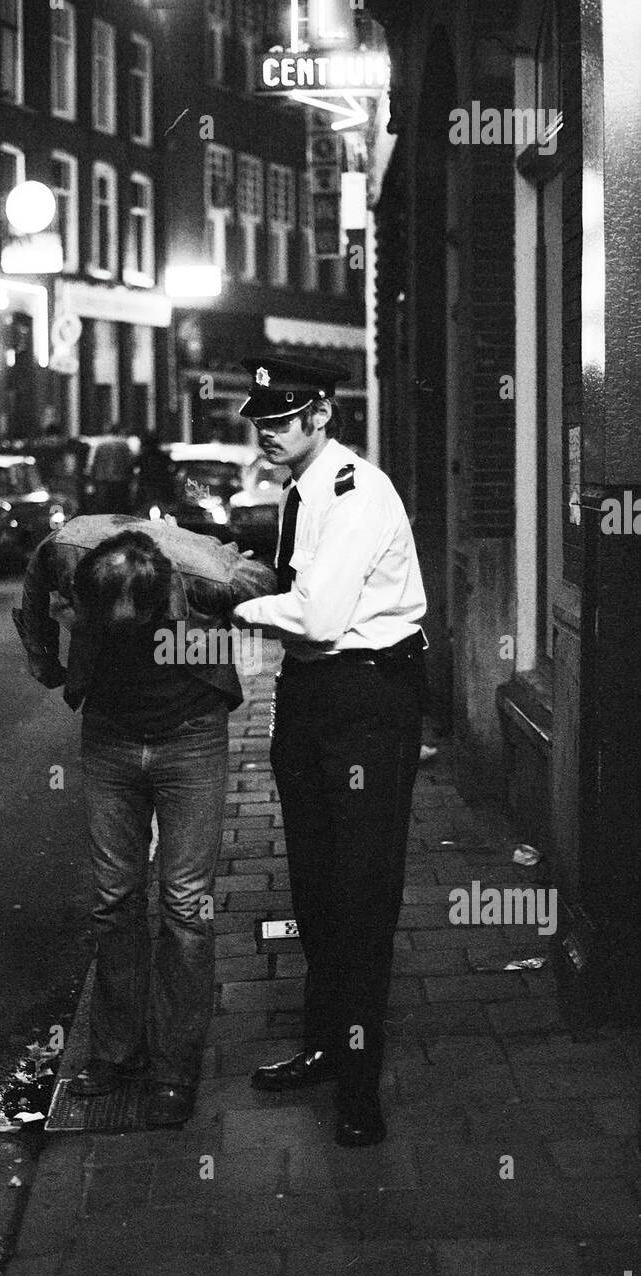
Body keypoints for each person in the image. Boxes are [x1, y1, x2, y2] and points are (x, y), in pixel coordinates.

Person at [13, 515, 275, 1126]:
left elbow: (269, 585)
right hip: (108, 738)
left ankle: (174, 1068)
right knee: (115, 899)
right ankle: (115, 1054)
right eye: (112, 627)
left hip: (190, 738)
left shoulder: (206, 575)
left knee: (186, 906)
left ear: (167, 597)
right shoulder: (63, 554)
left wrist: (241, 618)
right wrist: (46, 662)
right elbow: (31, 604)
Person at [231, 355, 428, 1148]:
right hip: (314, 697)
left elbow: (314, 619)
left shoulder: (354, 493)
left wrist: (236, 598)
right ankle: (323, 1043)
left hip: (366, 700)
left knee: (361, 889)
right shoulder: (303, 490)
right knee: (314, 881)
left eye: (281, 421)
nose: (267, 434)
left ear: (322, 416)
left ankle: (359, 1086)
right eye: (262, 422)